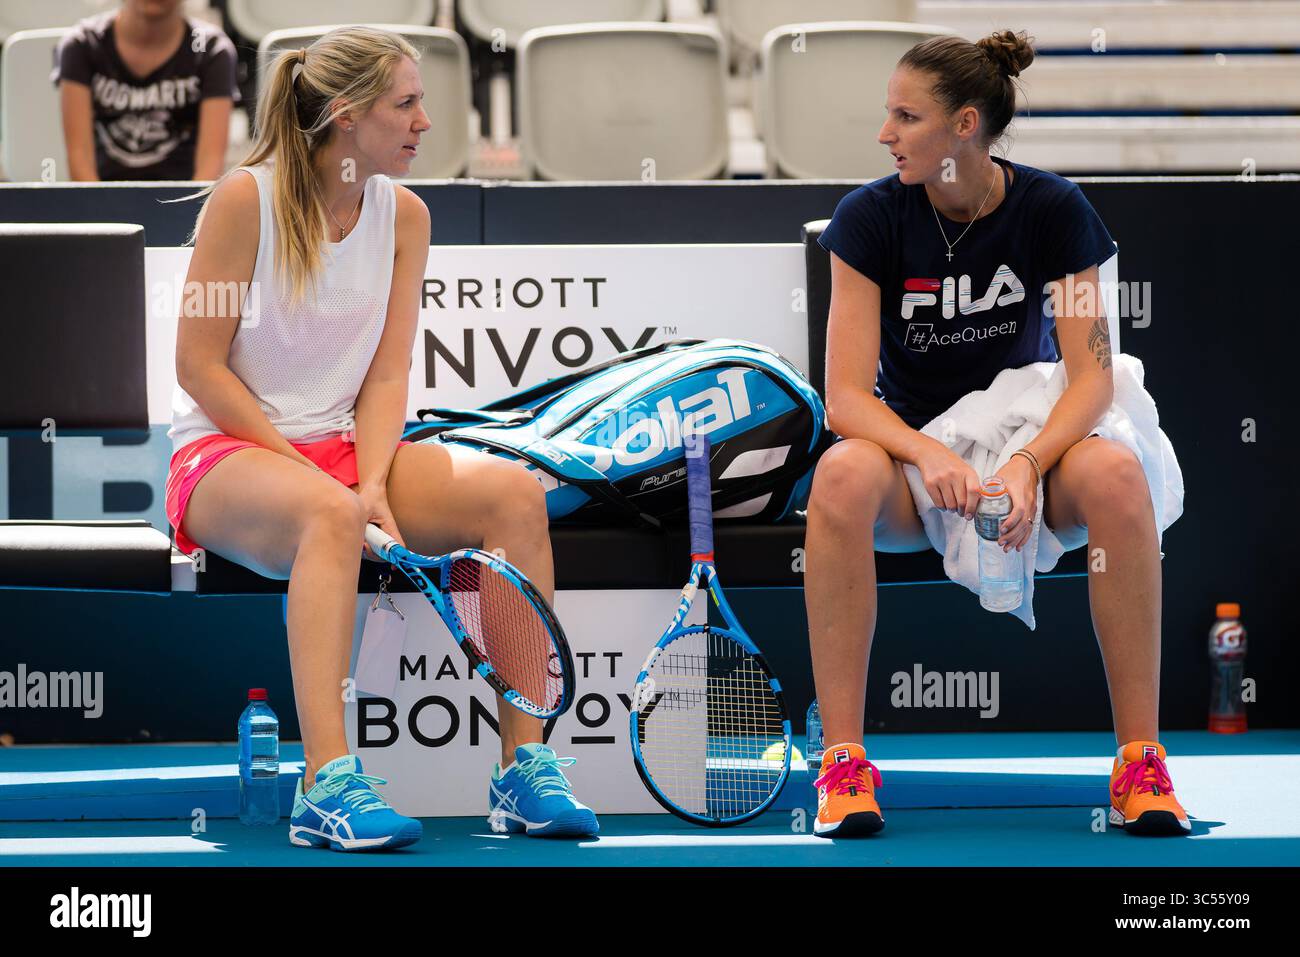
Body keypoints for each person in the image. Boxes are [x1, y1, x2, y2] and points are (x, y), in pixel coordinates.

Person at [164, 26, 598, 851]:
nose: (425, 121)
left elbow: (388, 374)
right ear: (345, 116)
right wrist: (322, 484)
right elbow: (199, 366)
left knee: (512, 492)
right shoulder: (240, 200)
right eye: (406, 103)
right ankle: (326, 785)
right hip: (223, 453)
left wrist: (367, 482)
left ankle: (523, 768)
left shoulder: (405, 216)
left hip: (344, 451)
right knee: (326, 515)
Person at [806, 30, 1190, 838]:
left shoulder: (1055, 211)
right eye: (888, 116)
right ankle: (844, 763)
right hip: (919, 467)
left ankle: (1140, 763)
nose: (885, 135)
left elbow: (1089, 376)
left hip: (1029, 449)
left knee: (1119, 477)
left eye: (905, 117)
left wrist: (1024, 461)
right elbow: (844, 397)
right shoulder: (868, 219)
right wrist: (926, 449)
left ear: (965, 127)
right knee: (841, 473)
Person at [54, 0, 238, 181]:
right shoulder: (81, 45)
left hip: (184, 204)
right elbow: (79, 160)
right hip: (102, 202)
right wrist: (99, 209)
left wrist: (191, 210)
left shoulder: (212, 51)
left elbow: (211, 164)